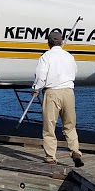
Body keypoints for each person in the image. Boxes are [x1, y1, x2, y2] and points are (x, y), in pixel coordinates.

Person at [31, 29, 83, 167]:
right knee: (70, 126)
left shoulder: (46, 57)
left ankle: (50, 157)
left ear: (48, 43)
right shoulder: (69, 56)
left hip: (52, 92)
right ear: (61, 42)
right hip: (68, 92)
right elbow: (75, 72)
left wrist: (36, 89)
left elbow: (41, 76)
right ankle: (75, 151)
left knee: (49, 127)